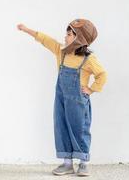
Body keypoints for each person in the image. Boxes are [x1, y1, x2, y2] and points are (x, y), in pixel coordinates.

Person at [17, 19, 107, 176]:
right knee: (61, 126)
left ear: (79, 38)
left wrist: (91, 89)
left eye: (69, 34)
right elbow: (45, 40)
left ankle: (83, 162)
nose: (65, 37)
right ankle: (67, 163)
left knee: (80, 129)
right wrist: (26, 29)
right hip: (61, 99)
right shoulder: (61, 51)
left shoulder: (88, 59)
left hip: (78, 102)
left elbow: (102, 75)